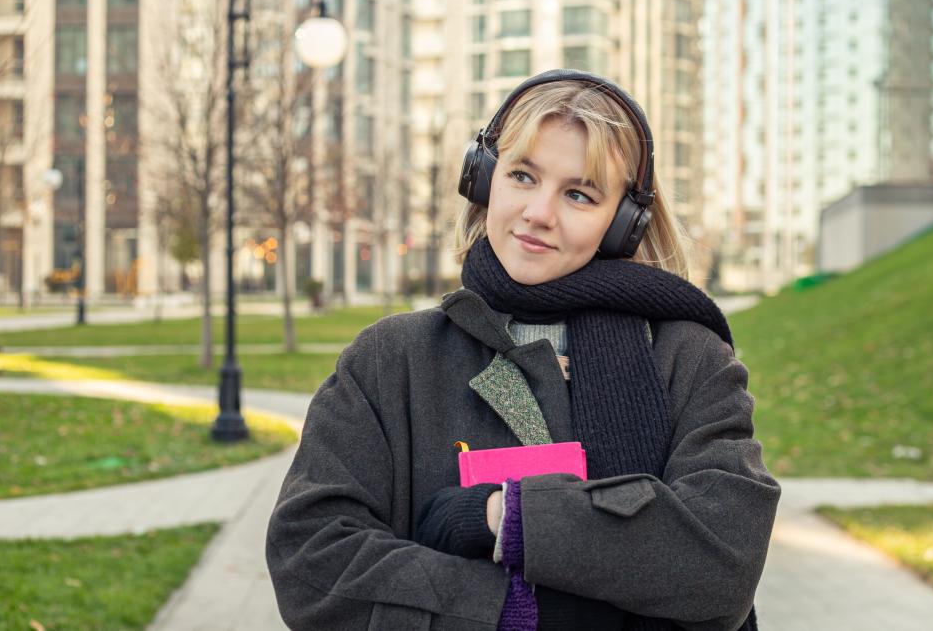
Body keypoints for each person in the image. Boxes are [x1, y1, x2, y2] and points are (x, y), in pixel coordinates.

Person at [266, 69, 780, 631]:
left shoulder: (689, 360)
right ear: (484, 180)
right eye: (522, 176)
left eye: (579, 194)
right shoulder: (391, 359)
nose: (539, 212)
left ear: (623, 225)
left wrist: (505, 517)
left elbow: (722, 567)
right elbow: (311, 561)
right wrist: (516, 611)